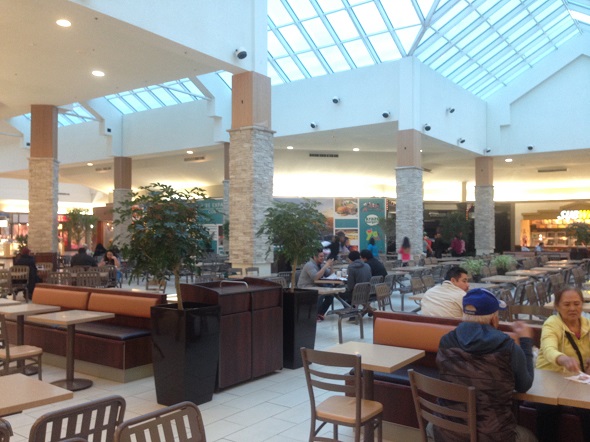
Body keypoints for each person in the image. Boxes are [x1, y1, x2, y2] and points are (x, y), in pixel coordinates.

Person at [435, 288, 536, 442]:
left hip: (448, 433)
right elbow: (524, 385)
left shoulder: (445, 341)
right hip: (493, 437)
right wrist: (526, 341)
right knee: (529, 437)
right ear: (494, 319)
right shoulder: (508, 347)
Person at [535, 287, 590, 441]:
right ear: (557, 306)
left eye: (577, 304)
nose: (572, 308)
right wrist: (563, 359)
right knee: (547, 411)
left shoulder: (587, 323)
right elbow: (548, 349)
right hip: (550, 380)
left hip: (577, 381)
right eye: (566, 304)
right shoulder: (551, 324)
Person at [297, 249, 334, 321]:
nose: (323, 258)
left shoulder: (321, 264)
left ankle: (320, 313)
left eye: (323, 256)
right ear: (315, 257)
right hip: (306, 287)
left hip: (316, 285)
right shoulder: (309, 265)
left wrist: (331, 266)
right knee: (321, 294)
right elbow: (315, 277)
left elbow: (330, 274)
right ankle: (314, 314)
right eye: (321, 256)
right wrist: (325, 266)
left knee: (330, 294)